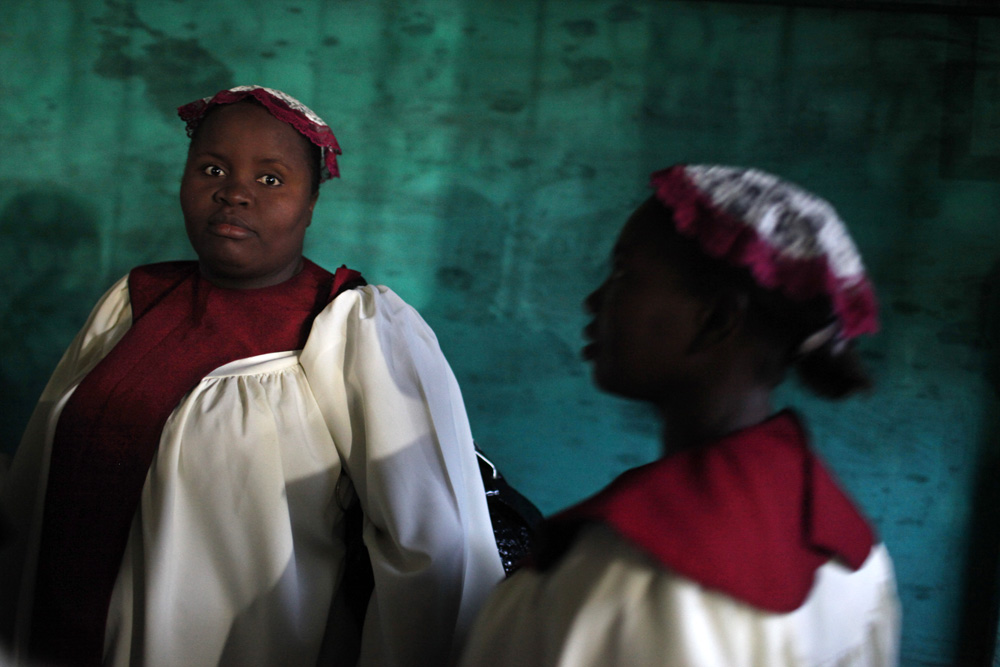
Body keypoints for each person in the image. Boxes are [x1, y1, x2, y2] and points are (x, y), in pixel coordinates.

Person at [0, 85, 505, 667]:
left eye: (270, 179)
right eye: (212, 168)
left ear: (311, 202)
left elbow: (437, 551)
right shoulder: (133, 299)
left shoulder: (351, 324)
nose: (234, 192)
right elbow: (35, 477)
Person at [459, 165, 901, 666]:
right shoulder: (844, 545)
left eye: (625, 273)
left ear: (715, 320)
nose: (595, 299)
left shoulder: (637, 574)